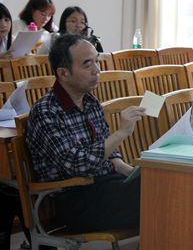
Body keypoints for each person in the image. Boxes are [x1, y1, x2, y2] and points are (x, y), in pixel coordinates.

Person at [26, 34, 146, 234]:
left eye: (97, 61)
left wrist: (134, 173)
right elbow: (76, 164)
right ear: (63, 73)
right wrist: (121, 133)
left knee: (160, 181)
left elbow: (111, 156)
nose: (97, 70)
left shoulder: (90, 102)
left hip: (106, 187)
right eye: (87, 64)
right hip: (76, 200)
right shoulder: (46, 111)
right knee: (159, 195)